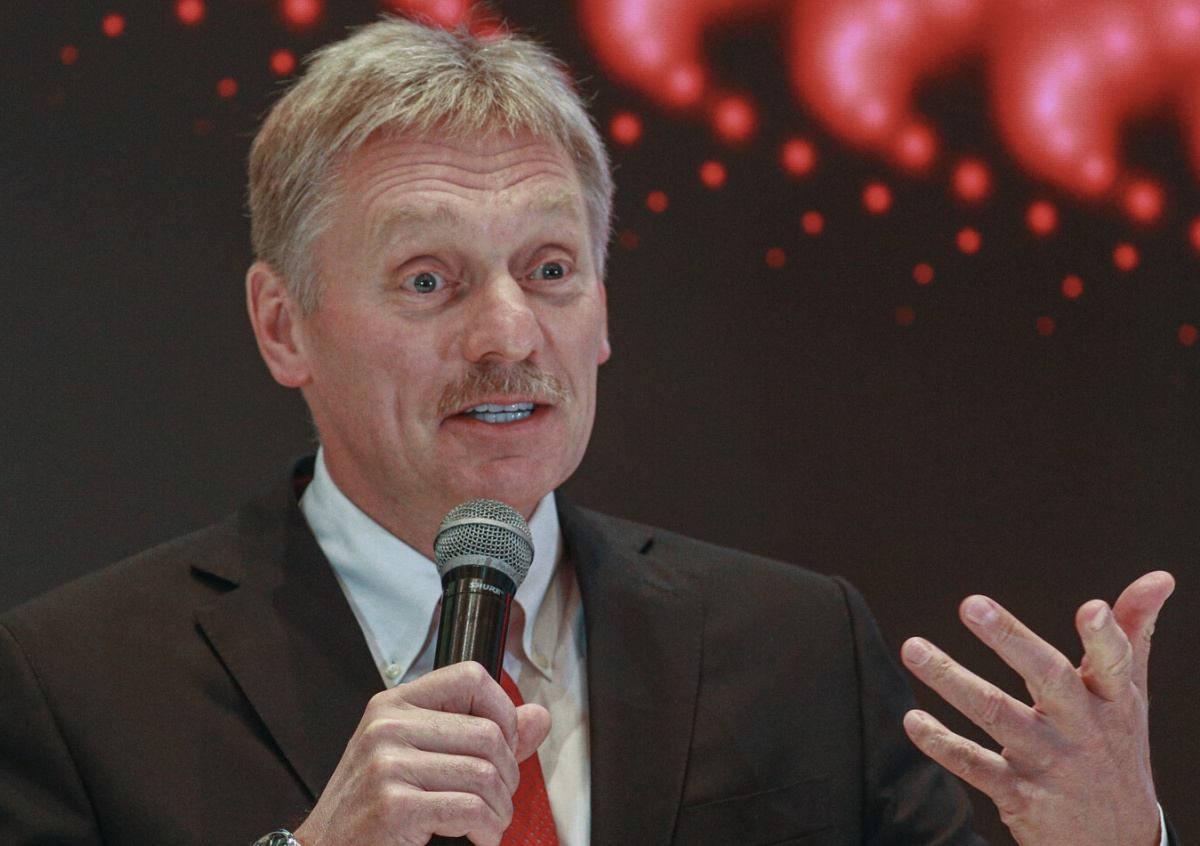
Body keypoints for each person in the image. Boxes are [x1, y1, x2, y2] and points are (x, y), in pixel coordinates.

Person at [0, 16, 1176, 846]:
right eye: (428, 279)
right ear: (281, 324)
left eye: (551, 268)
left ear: (603, 310)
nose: (508, 333)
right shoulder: (75, 687)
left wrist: (1113, 840)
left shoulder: (796, 648)